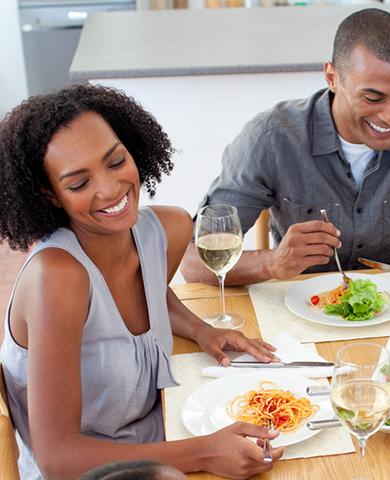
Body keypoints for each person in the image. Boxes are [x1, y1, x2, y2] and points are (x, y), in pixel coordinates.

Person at [0, 85, 284, 480]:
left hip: (160, 431)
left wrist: (201, 330)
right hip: (92, 470)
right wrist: (203, 452)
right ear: (49, 195)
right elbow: (58, 457)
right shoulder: (57, 279)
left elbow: (150, 294)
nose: (110, 189)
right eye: (79, 183)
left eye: (116, 162)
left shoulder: (167, 230)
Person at [181, 8, 390, 292]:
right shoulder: (270, 138)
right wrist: (271, 262)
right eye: (373, 97)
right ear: (332, 77)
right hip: (300, 317)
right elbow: (192, 259)